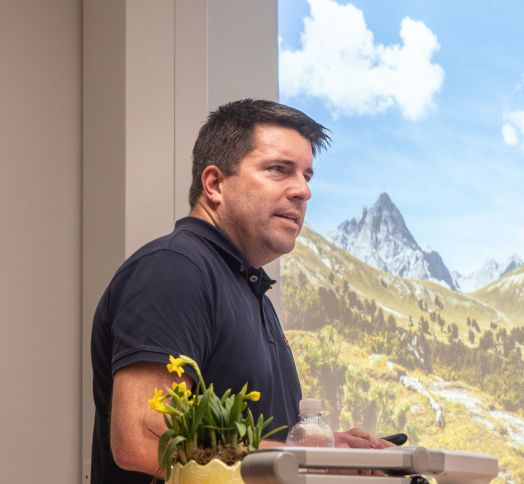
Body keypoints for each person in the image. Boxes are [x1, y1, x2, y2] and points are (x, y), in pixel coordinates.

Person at [90, 99, 393, 483]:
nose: (303, 191)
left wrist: (325, 450)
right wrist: (308, 460)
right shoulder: (173, 269)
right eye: (279, 170)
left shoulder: (248, 288)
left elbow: (255, 451)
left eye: (307, 176)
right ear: (214, 184)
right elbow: (143, 439)